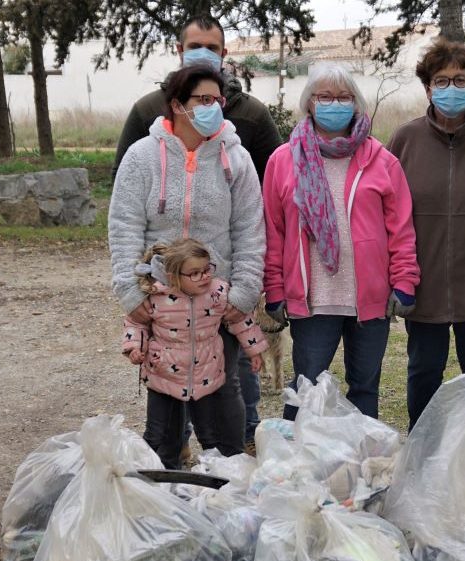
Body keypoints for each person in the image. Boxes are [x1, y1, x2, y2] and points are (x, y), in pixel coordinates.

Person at [113, 14, 282, 450]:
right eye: (200, 100)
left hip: (218, 302)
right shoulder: (142, 157)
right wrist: (133, 293)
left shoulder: (235, 158)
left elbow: (249, 226)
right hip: (160, 302)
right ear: (177, 104)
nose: (210, 107)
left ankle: (229, 475)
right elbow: (125, 223)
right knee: (165, 412)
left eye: (216, 100)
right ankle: (169, 480)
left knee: (226, 404)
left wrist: (243, 292)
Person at [262, 63, 420, 420]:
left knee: (364, 388)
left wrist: (405, 280)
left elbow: (402, 230)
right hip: (312, 301)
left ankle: (360, 467)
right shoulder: (284, 161)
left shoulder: (382, 161)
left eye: (344, 97)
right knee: (305, 390)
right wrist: (273, 288)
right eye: (325, 97)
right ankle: (297, 467)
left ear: (356, 102)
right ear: (310, 103)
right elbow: (273, 232)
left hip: (369, 299)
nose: (335, 104)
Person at [388, 39, 465, 429]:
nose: (451, 88)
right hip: (421, 283)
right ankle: (423, 449)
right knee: (423, 370)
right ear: (427, 87)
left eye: (460, 79)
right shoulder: (404, 140)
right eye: (441, 81)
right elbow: (387, 214)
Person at [122, 238, 268, 469]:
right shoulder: (156, 296)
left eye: (207, 269)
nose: (205, 277)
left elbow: (241, 320)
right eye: (195, 273)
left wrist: (254, 351)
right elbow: (135, 323)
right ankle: (156, 476)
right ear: (173, 276)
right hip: (163, 377)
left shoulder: (218, 293)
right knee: (159, 433)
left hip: (206, 376)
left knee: (210, 432)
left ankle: (217, 475)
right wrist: (134, 348)